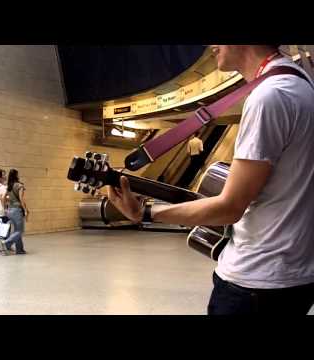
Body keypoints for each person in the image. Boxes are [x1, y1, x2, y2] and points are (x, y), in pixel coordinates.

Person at [108, 45, 314, 315]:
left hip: (255, 281)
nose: (211, 46)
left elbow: (230, 208)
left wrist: (145, 212)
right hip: (294, 277)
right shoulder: (301, 84)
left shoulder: (270, 96)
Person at [0, 169, 29, 255]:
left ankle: (20, 249)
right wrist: (25, 210)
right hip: (17, 210)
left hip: (10, 211)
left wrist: (5, 208)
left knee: (16, 230)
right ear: (16, 175)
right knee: (20, 231)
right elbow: (21, 199)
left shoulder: (9, 186)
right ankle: (6, 243)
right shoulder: (20, 186)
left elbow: (3, 198)